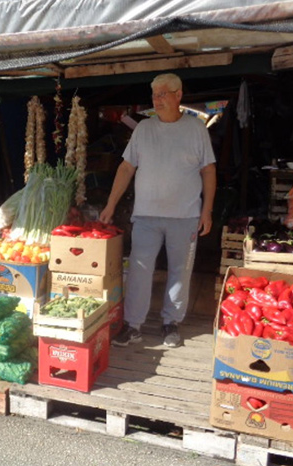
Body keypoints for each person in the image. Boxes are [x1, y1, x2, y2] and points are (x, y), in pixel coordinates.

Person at [99, 73, 216, 348]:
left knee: (180, 270)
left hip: (186, 216)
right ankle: (133, 325)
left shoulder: (196, 129)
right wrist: (110, 204)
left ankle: (170, 323)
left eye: (164, 94)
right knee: (139, 270)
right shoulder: (144, 129)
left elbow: (208, 171)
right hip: (146, 216)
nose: (158, 99)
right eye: (154, 94)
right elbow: (126, 167)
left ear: (179, 96)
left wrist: (207, 210)